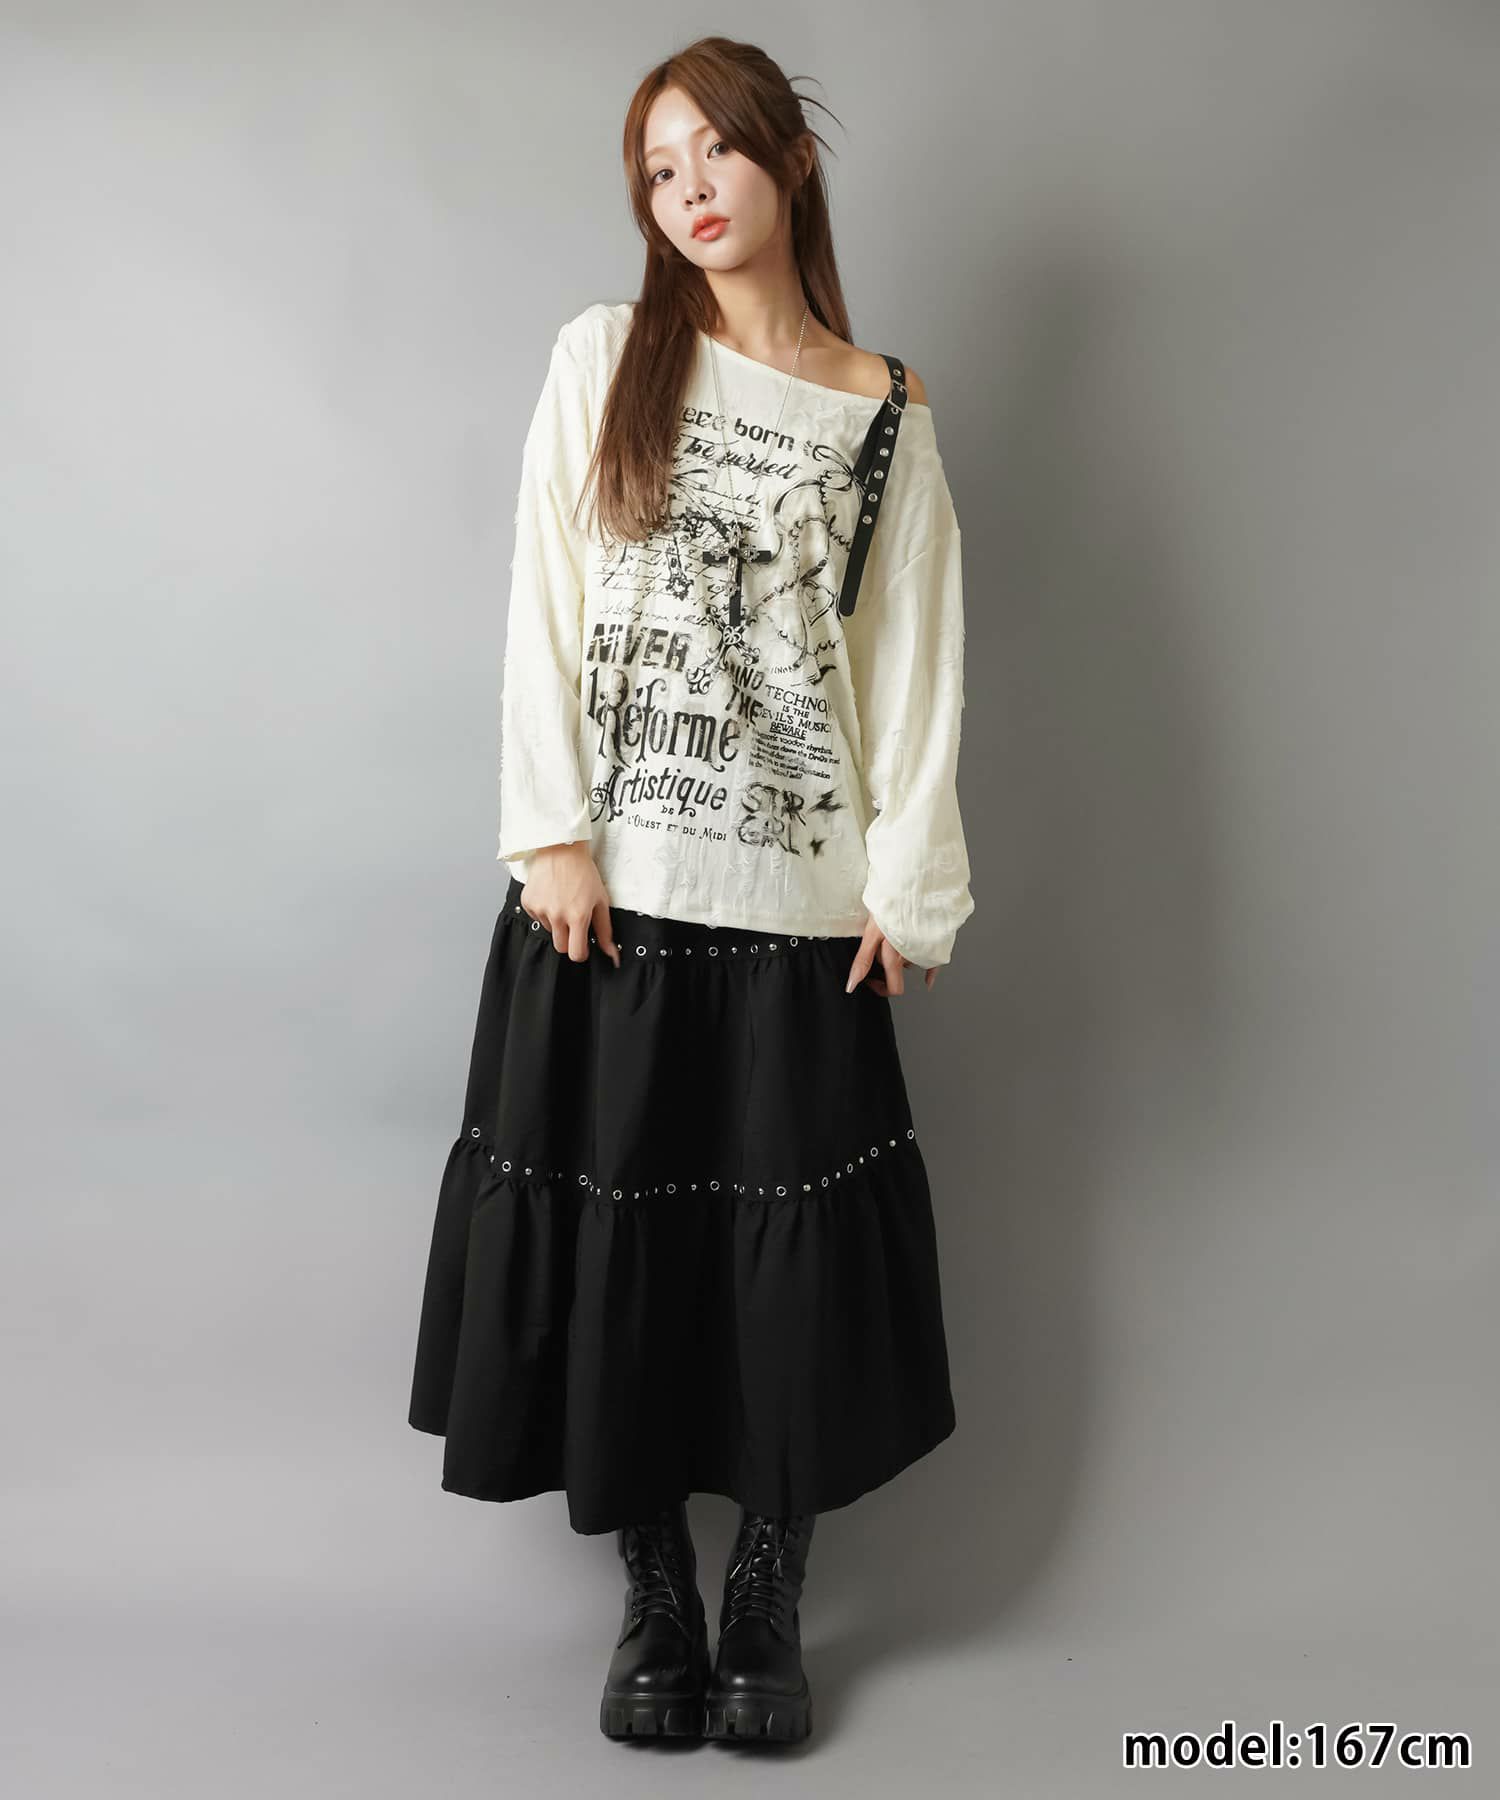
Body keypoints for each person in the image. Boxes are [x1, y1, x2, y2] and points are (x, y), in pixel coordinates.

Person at [408, 34, 974, 1745]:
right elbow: (544, 596)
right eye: (659, 171)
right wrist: (549, 832)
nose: (690, 190)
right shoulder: (607, 357)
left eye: (714, 151)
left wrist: (909, 885)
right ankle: (654, 1593)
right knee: (623, 1255)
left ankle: (766, 1599)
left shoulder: (885, 411)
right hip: (615, 903)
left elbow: (914, 664)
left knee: (782, 1275)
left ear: (787, 156)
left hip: (798, 910)